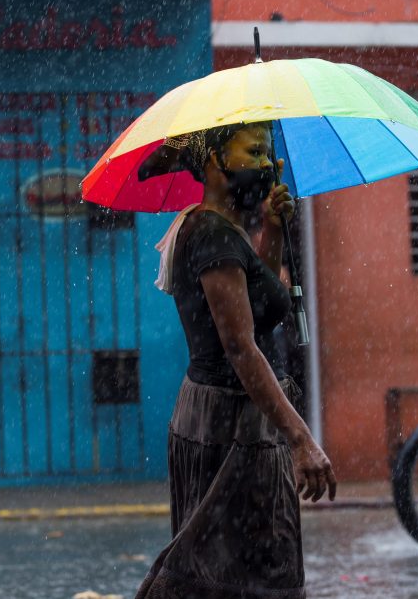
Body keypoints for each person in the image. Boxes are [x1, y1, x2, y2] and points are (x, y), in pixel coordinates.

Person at [137, 122, 336, 599]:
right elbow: (241, 346)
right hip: (232, 426)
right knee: (253, 575)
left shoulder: (221, 228)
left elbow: (259, 301)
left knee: (220, 573)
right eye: (255, 151)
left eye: (269, 153)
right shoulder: (214, 236)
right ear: (212, 162)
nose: (268, 164)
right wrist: (302, 440)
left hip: (218, 417)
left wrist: (269, 225)